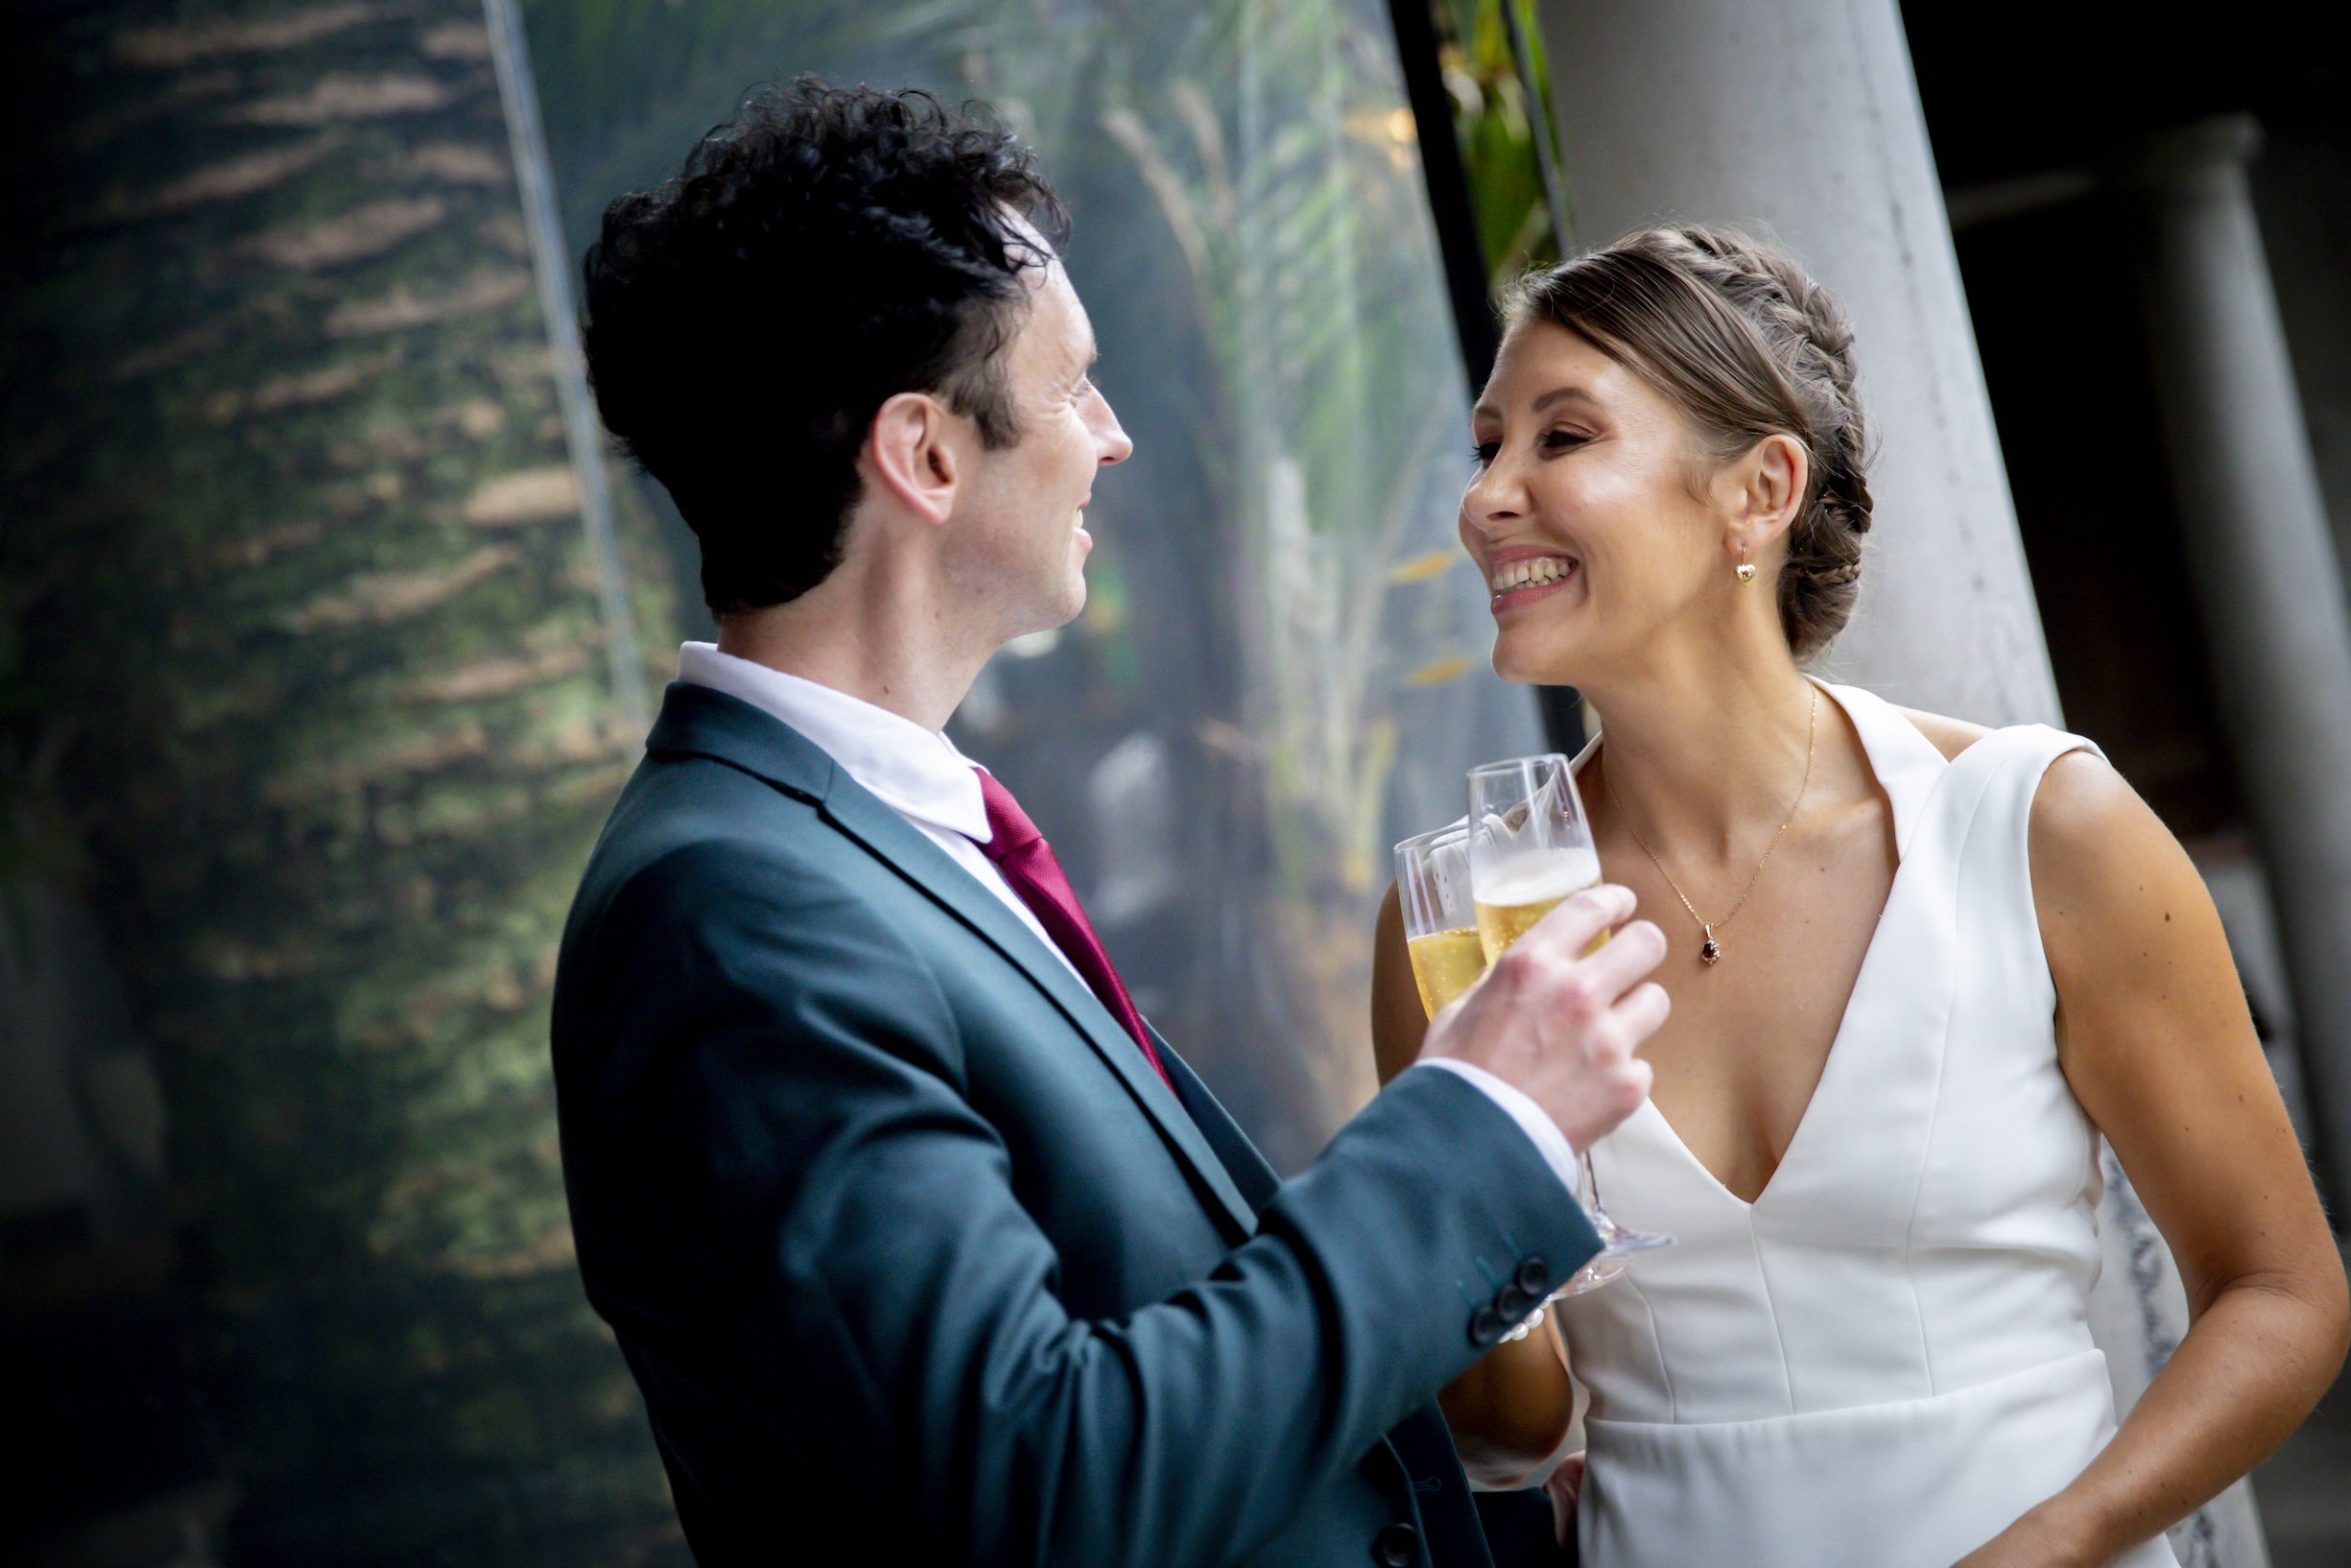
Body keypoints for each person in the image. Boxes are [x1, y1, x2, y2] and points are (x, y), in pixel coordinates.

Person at [551, 79, 1672, 1568]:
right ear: (924, 455)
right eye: (1074, 384)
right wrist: (1479, 1127)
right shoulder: (731, 921)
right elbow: (1047, 1489)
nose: (1113, 435)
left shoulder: (860, 849)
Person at [1371, 226, 2351, 1568]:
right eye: (1487, 446)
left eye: (1562, 437)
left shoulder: (2038, 830)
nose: (1488, 496)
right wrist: (1484, 1168)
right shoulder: (1456, 928)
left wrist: (2058, 1540)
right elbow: (1514, 1424)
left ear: (1759, 489)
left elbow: (2282, 1291)